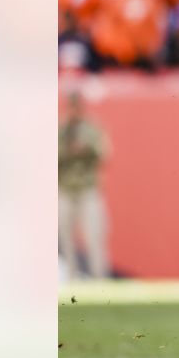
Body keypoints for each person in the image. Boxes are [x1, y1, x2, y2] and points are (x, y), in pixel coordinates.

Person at [58, 92, 111, 281]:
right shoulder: (61, 131)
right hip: (65, 190)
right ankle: (71, 279)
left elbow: (105, 153)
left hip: (88, 189)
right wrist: (67, 150)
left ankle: (100, 280)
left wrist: (86, 147)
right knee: (65, 240)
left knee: (94, 237)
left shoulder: (91, 129)